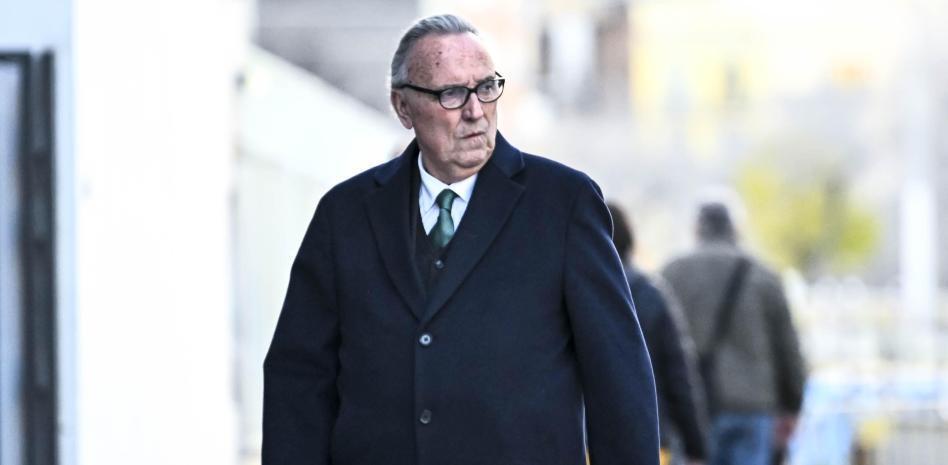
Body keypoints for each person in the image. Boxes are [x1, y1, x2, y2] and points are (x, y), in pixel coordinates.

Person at [262, 14, 659, 465]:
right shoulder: (344, 214)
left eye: (486, 87)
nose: (475, 111)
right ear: (402, 107)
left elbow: (618, 375)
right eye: (451, 93)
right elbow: (299, 377)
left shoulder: (564, 204)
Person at [661, 202, 806, 465]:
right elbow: (788, 349)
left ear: (697, 229)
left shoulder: (672, 274)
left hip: (694, 410)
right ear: (735, 229)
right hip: (752, 407)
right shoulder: (764, 276)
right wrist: (793, 406)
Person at [607, 203, 708, 465]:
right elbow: (679, 376)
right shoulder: (651, 293)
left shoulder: (566, 293)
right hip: (652, 438)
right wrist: (695, 445)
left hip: (587, 441)